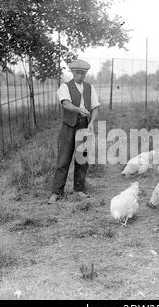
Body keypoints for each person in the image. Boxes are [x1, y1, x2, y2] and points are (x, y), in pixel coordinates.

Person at [47, 59, 100, 204]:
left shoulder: (90, 87)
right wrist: (78, 109)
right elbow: (66, 103)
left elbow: (95, 107)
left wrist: (92, 122)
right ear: (72, 73)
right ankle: (56, 192)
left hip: (84, 126)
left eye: (83, 73)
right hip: (69, 126)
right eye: (77, 73)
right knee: (63, 159)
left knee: (81, 159)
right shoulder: (65, 87)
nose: (80, 76)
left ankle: (79, 190)